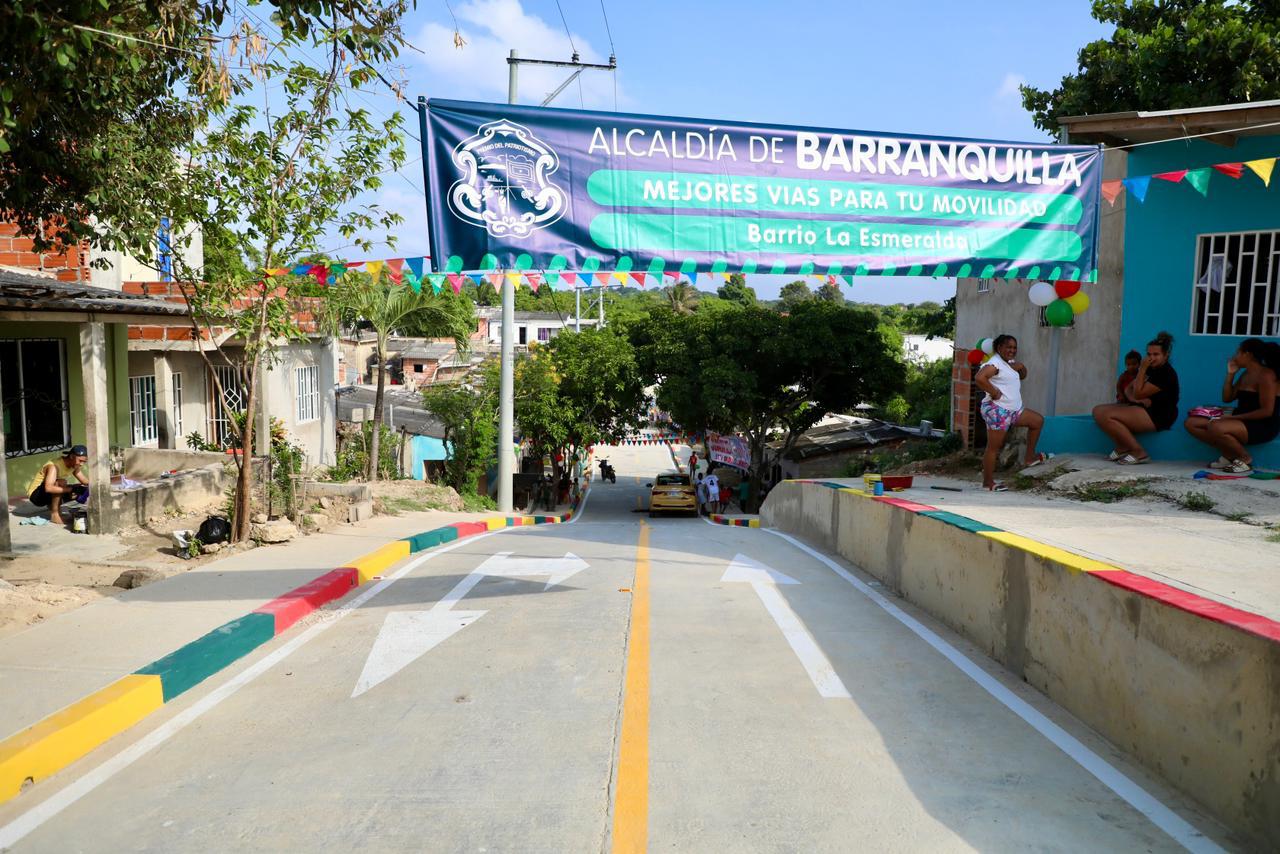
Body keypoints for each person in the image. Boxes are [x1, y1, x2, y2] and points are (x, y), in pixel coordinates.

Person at [1184, 338, 1280, 473]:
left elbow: (1266, 411)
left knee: (1216, 426)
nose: (1235, 357)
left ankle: (1244, 458)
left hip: (1262, 425)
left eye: (1238, 353)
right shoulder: (1245, 374)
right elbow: (1227, 398)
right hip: (1240, 420)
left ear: (1248, 354)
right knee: (1191, 422)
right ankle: (1229, 454)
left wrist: (1230, 418)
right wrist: (1230, 375)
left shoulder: (1266, 375)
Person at [1092, 332, 1180, 465]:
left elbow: (1138, 392)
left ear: (1165, 356)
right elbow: (1129, 389)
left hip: (1159, 415)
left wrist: (1142, 369)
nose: (1151, 358)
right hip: (1144, 408)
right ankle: (1122, 447)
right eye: (1149, 354)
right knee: (1098, 411)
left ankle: (1139, 452)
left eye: (1156, 355)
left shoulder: (1166, 373)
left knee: (1108, 416)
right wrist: (1135, 400)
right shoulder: (1151, 369)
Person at [974, 335, 1049, 491]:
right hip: (999, 410)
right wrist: (994, 392)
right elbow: (980, 378)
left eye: (1014, 348)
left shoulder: (1008, 364)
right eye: (1008, 347)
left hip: (1014, 410)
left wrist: (1020, 367)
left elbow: (1023, 376)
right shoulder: (995, 364)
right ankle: (988, 482)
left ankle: (1029, 458)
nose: (1012, 350)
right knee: (994, 447)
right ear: (999, 348)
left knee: (1037, 421)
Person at [26, 445, 90, 523]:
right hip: (36, 496)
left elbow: (84, 481)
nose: (82, 464)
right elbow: (48, 488)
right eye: (80, 461)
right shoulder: (53, 466)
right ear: (72, 456)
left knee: (81, 488)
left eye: (84, 462)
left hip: (46, 493)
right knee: (61, 482)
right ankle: (55, 515)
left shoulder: (74, 465)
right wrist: (71, 489)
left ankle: (51, 505)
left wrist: (97, 484)